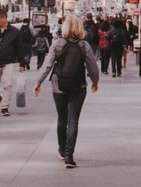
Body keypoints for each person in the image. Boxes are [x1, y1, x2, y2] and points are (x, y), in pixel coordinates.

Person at [33, 15, 99, 168]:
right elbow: (93, 68)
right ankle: (69, 155)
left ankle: (62, 150)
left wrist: (38, 83)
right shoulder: (84, 46)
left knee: (62, 118)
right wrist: (95, 82)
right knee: (73, 121)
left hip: (59, 86)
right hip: (79, 86)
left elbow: (47, 66)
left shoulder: (57, 44)